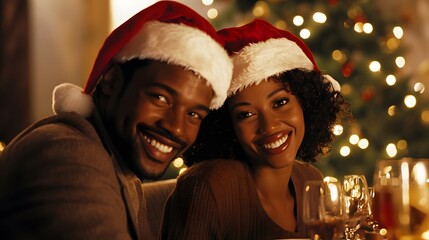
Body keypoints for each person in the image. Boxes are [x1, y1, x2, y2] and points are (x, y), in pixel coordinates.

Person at [0, 1, 232, 239]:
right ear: (111, 81)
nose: (175, 127)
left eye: (193, 114)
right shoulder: (70, 156)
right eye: (160, 98)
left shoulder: (111, 157)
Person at [161, 19, 351, 239]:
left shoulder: (310, 180)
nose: (268, 125)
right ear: (226, 125)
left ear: (306, 103)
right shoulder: (207, 188)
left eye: (279, 103)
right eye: (246, 114)